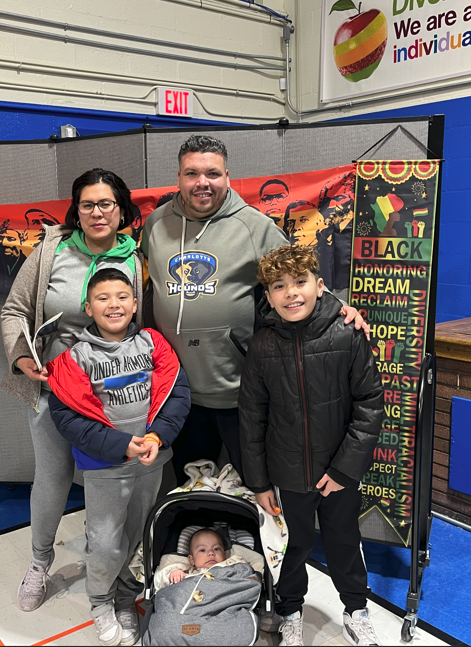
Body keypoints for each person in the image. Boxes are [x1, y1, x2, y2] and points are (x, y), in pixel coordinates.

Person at [139, 135, 369, 484]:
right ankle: (200, 540)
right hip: (177, 389)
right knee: (193, 484)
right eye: (192, 173)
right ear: (179, 178)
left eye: (212, 173)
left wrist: (338, 308)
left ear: (227, 176)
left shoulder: (255, 226)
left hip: (239, 390)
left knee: (254, 485)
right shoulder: (155, 224)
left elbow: (297, 279)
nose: (203, 182)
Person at [0, 168, 145, 619]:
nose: (97, 212)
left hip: (118, 387)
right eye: (87, 204)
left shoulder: (138, 258)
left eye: (106, 204)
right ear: (75, 210)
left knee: (122, 478)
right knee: (53, 476)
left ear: (121, 209)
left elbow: (150, 323)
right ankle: (40, 562)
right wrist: (22, 357)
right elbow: (13, 309)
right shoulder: (51, 250)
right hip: (56, 385)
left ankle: (122, 565)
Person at [239, 245, 383, 647]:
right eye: (279, 286)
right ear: (267, 297)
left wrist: (343, 470)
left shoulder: (346, 333)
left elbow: (370, 405)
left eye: (300, 282)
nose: (291, 293)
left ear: (320, 286)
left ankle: (356, 610)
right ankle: (290, 612)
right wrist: (260, 482)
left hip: (338, 471)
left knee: (344, 541)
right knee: (291, 548)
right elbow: (252, 418)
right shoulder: (262, 347)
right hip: (286, 475)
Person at [47, 267, 190, 646]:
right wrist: (118, 445)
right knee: (107, 543)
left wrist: (158, 436)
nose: (114, 304)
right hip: (106, 468)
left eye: (122, 296)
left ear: (135, 303)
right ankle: (100, 601)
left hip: (151, 464)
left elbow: (177, 393)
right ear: (88, 306)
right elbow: (68, 418)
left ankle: (126, 596)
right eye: (103, 298)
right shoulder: (75, 357)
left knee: (137, 536)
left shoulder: (153, 344)